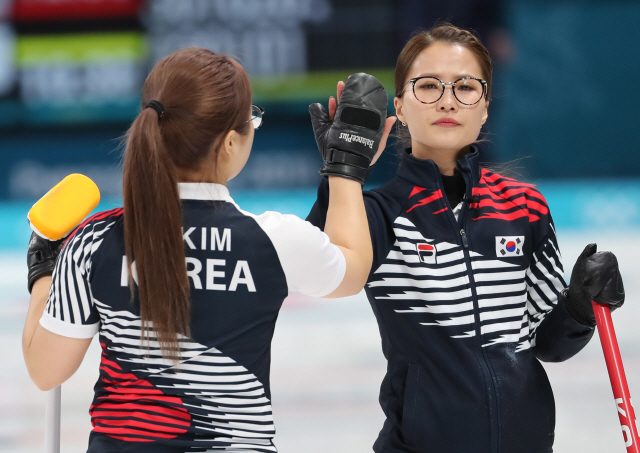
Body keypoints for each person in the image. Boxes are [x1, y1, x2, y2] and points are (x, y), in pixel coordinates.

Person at [23, 47, 392, 452]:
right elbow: (352, 267)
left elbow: (46, 371)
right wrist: (346, 165)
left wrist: (44, 267)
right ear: (231, 143)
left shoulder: (93, 241)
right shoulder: (276, 240)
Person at [307, 24, 625, 453]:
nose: (448, 100)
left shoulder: (524, 206)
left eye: (466, 87)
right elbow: (316, 272)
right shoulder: (376, 214)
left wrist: (580, 305)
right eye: (429, 86)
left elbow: (548, 343)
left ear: (486, 106)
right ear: (399, 106)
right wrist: (341, 172)